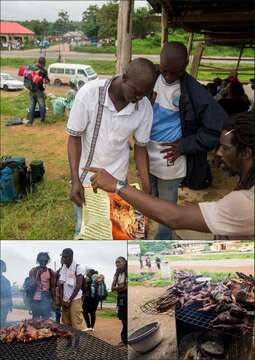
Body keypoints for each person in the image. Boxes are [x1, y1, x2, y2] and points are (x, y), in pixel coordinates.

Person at [85, 111, 254, 240]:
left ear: (246, 153)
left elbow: (174, 217)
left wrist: (118, 185)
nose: (218, 153)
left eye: (225, 148)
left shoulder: (246, 202)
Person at [66, 58, 157, 237]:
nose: (138, 98)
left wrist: (146, 186)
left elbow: (140, 147)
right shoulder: (89, 95)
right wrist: (75, 179)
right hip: (86, 181)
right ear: (124, 78)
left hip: (117, 180)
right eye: (136, 91)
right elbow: (74, 137)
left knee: (117, 230)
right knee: (85, 229)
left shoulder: (144, 107)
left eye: (144, 94)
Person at [147, 42, 226, 239]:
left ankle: (162, 243)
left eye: (175, 72)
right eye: (165, 71)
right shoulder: (150, 77)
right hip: (146, 155)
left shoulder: (194, 92)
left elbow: (217, 126)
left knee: (167, 209)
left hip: (171, 160)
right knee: (150, 198)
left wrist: (185, 145)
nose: (168, 77)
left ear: (186, 65)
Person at [59, 248, 86, 331]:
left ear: (71, 257)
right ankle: (69, 342)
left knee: (76, 322)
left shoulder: (78, 268)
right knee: (66, 322)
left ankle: (77, 344)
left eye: (65, 257)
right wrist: (62, 300)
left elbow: (78, 286)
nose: (63, 259)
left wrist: (69, 300)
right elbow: (61, 285)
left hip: (74, 299)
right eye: (63, 257)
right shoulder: (63, 268)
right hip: (65, 299)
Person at [28, 252, 55, 320]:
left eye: (45, 260)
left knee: (46, 319)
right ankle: (34, 330)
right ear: (38, 260)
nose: (43, 262)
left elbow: (52, 288)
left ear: (47, 261)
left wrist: (53, 301)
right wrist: (37, 275)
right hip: (35, 298)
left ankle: (44, 331)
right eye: (41, 260)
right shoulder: (33, 271)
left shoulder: (50, 272)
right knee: (35, 318)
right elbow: (31, 285)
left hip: (46, 298)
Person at [27, 56, 50, 126]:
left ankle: (30, 122)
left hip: (31, 90)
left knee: (31, 107)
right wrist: (46, 80)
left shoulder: (31, 67)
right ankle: (42, 121)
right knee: (42, 106)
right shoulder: (43, 70)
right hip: (39, 91)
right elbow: (47, 81)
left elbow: (27, 77)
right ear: (43, 63)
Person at [112, 257, 127, 346]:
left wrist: (119, 287)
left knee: (126, 318)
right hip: (121, 298)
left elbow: (126, 287)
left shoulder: (127, 272)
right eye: (116, 262)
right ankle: (124, 340)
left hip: (126, 297)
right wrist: (121, 287)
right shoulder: (117, 273)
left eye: (119, 262)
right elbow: (112, 287)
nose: (117, 264)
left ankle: (125, 340)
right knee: (123, 319)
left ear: (125, 262)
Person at [0, 260, 12, 327]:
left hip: (4, 306)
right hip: (3, 304)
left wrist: (10, 305)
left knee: (2, 322)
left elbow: (9, 294)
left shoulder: (6, 281)